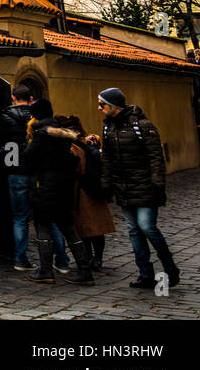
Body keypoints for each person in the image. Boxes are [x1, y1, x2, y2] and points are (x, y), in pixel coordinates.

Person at [98, 87, 179, 289]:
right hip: (123, 187)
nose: (99, 108)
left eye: (102, 104)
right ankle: (145, 274)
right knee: (133, 230)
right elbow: (107, 159)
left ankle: (170, 269)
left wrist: (157, 185)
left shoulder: (142, 125)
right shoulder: (108, 127)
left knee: (147, 226)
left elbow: (156, 158)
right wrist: (106, 185)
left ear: (113, 105)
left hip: (145, 186)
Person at [0, 84, 71, 273]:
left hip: (15, 170)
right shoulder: (36, 115)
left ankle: (20, 259)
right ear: (30, 99)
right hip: (39, 173)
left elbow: (3, 144)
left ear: (13, 98)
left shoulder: (5, 117)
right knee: (50, 219)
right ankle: (61, 260)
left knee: (20, 218)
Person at [23, 99, 95, 284]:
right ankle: (85, 271)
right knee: (68, 228)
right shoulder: (63, 133)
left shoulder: (41, 134)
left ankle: (46, 271)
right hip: (64, 187)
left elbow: (28, 156)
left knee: (43, 227)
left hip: (46, 187)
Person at [63, 117, 114, 271]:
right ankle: (96, 258)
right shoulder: (89, 141)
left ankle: (91, 257)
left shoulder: (72, 147)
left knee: (84, 229)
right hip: (94, 189)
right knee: (96, 229)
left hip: (81, 190)